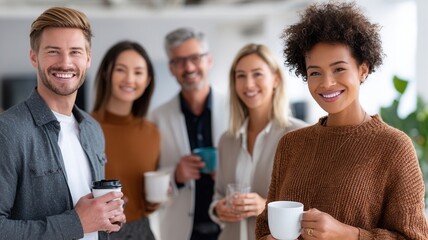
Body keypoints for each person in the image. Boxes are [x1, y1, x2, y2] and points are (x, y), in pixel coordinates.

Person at [255, 2, 428, 240]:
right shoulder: (291, 144)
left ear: (363, 69)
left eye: (338, 69)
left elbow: (415, 237)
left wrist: (350, 234)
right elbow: (265, 226)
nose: (326, 83)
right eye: (315, 72)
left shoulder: (394, 147)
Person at [0, 7, 126, 240]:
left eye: (75, 52)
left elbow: (91, 216)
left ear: (88, 59)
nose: (65, 62)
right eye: (53, 51)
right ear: (33, 57)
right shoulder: (8, 131)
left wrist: (105, 217)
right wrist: (75, 223)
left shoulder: (93, 129)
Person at [208, 43, 307, 240]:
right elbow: (218, 194)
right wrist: (218, 209)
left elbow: (311, 203)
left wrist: (265, 206)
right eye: (241, 76)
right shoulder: (227, 140)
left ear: (276, 78)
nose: (248, 84)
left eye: (257, 74)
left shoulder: (300, 135)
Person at [148, 27, 228, 240]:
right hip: (180, 230)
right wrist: (176, 175)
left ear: (209, 60)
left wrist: (226, 170)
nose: (189, 67)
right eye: (179, 61)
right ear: (171, 68)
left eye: (195, 57)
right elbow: (149, 180)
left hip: (229, 228)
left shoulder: (235, 110)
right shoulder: (156, 118)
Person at [91, 40, 160, 240]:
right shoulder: (84, 127)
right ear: (106, 73)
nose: (130, 79)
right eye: (121, 70)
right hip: (97, 232)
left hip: (141, 231)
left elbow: (143, 191)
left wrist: (154, 200)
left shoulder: (152, 132)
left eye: (138, 72)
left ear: (147, 80)